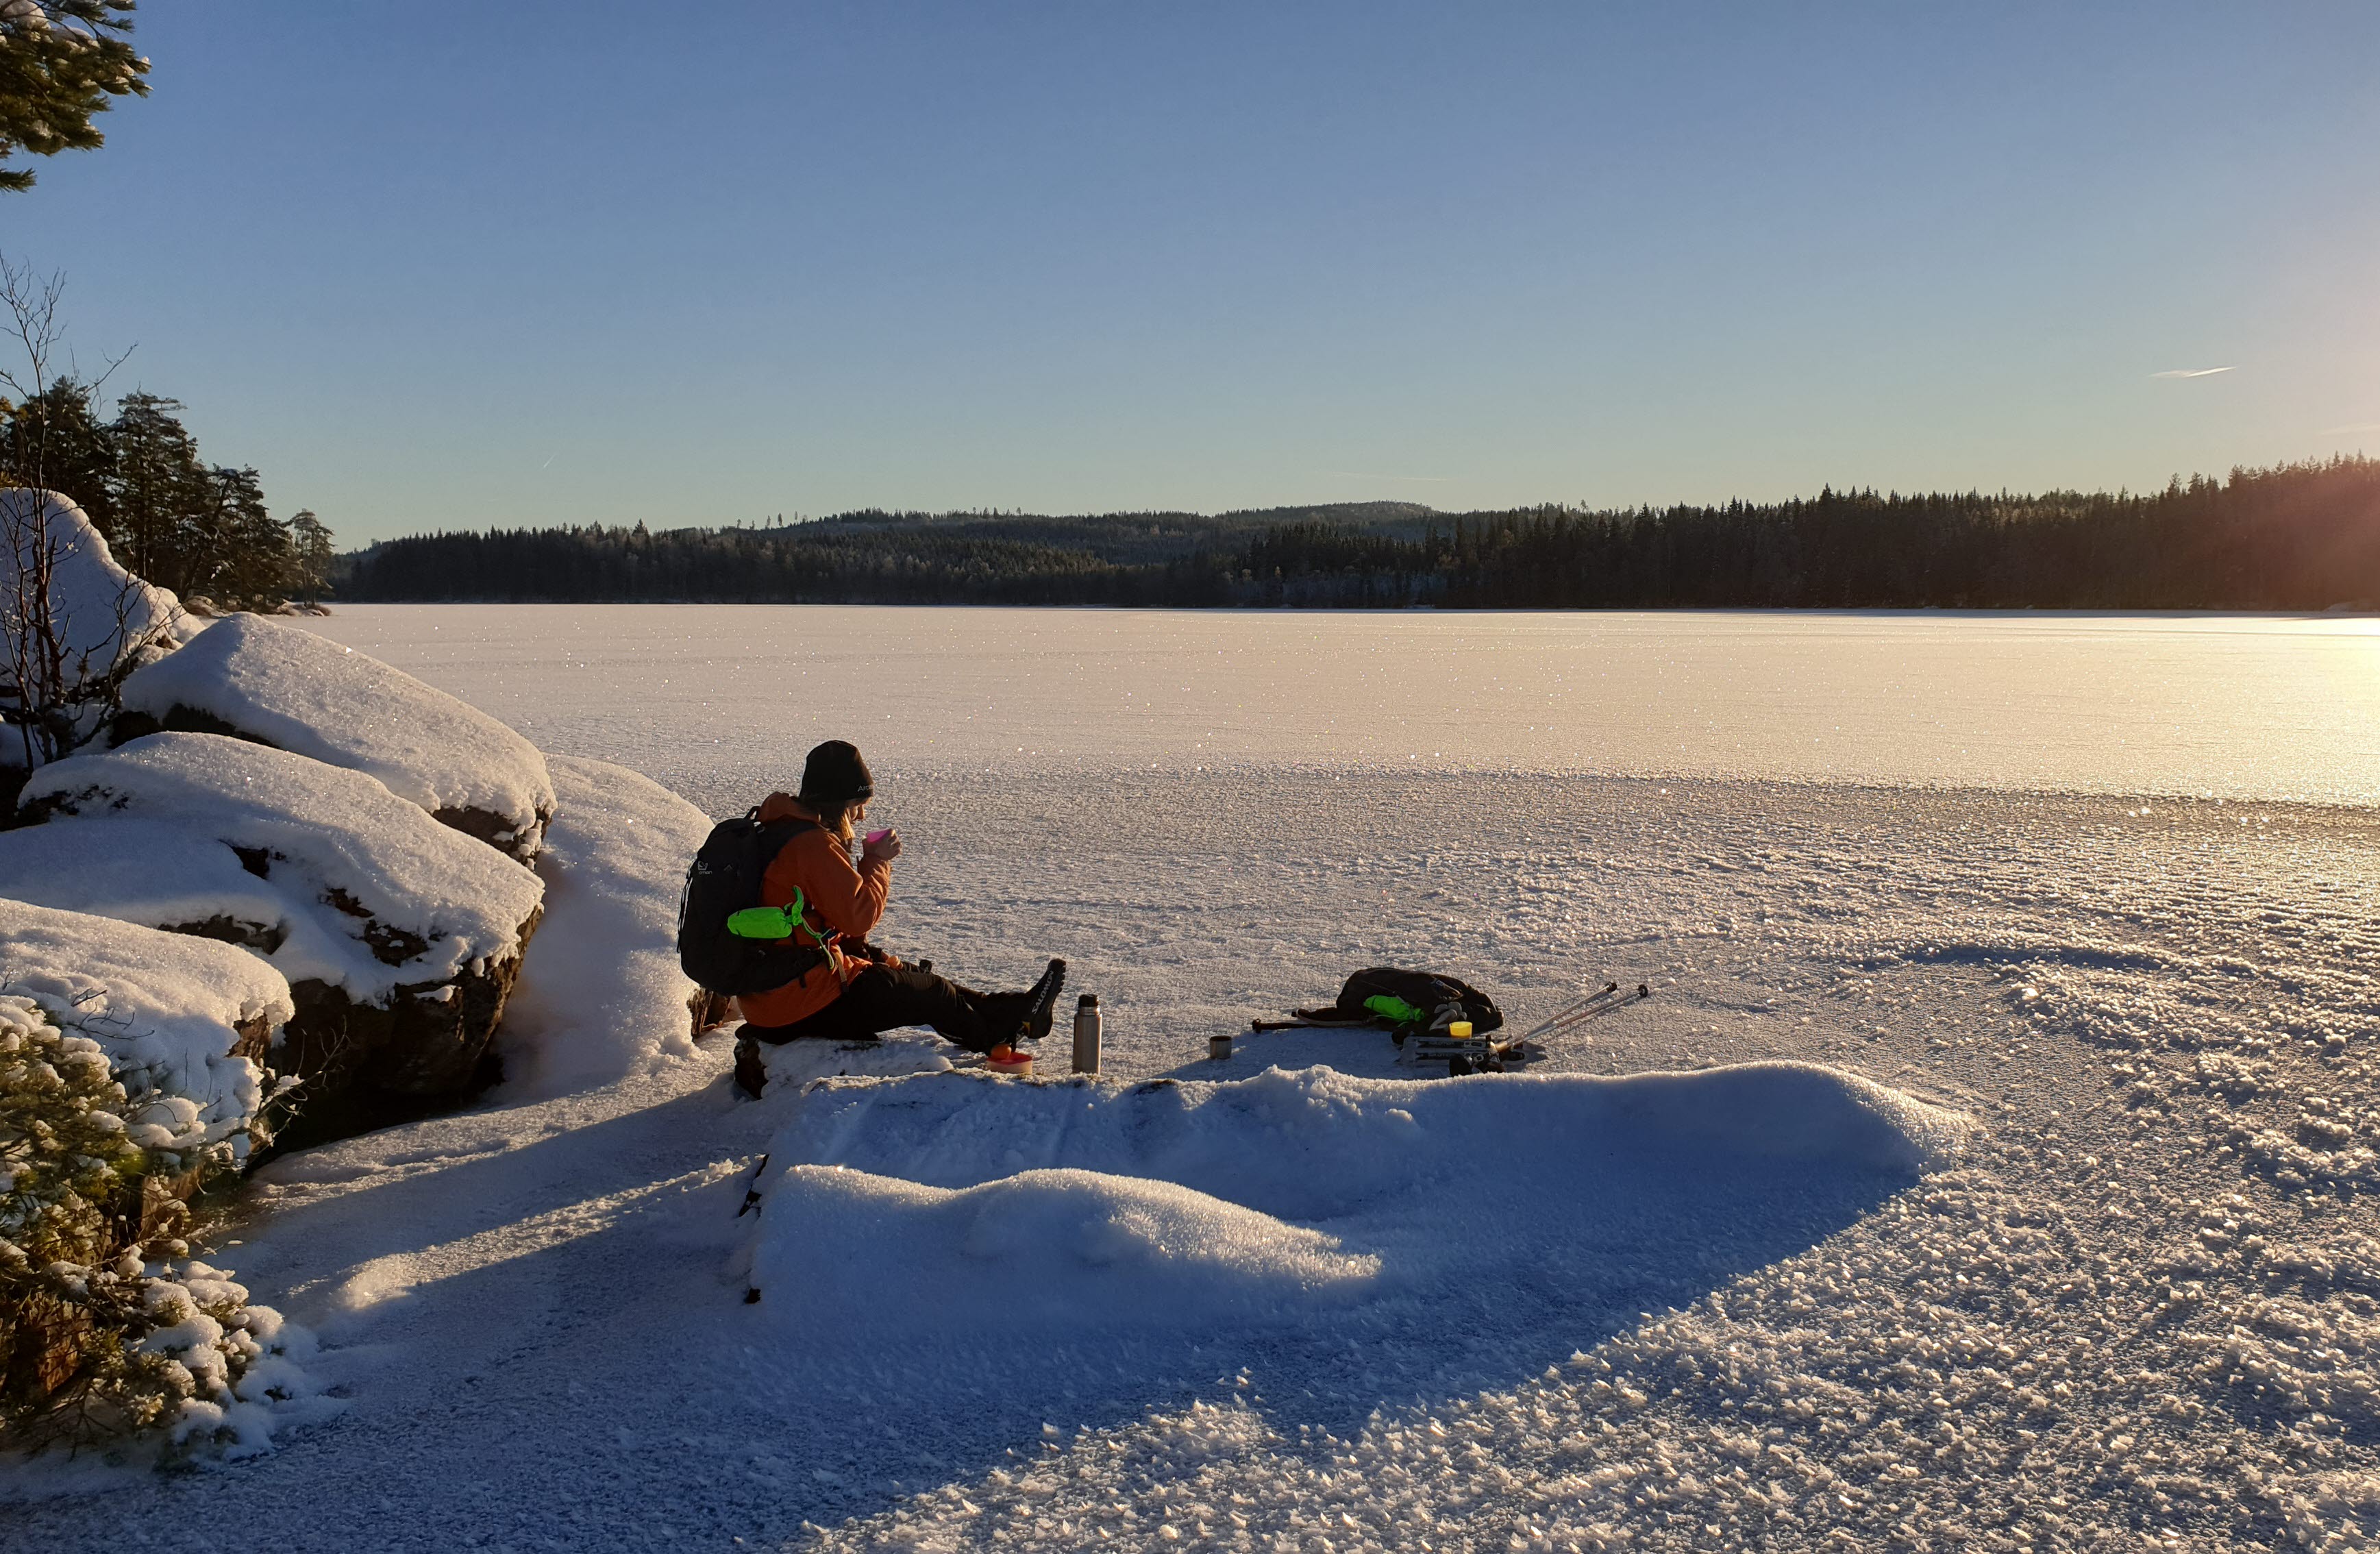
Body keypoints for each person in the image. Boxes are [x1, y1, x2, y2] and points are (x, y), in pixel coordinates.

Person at [730, 739, 1065, 1098]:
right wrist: (877, 860)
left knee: (917, 980)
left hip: (776, 995)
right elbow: (858, 916)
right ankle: (996, 1040)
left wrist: (877, 960)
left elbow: (821, 923)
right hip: (801, 1005)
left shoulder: (777, 829)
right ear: (838, 803)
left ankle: (1018, 1011)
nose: (860, 816)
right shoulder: (811, 845)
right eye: (857, 805)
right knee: (932, 994)